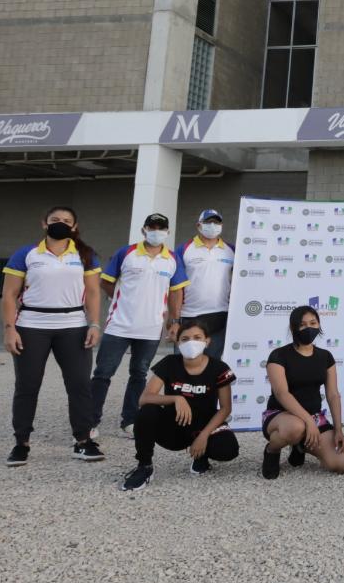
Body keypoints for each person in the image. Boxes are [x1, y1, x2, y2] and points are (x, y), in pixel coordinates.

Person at [2, 206, 105, 466]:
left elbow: (93, 293)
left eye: (67, 221)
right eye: (55, 220)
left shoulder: (85, 254)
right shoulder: (26, 254)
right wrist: (10, 328)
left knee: (80, 384)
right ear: (44, 223)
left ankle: (83, 440)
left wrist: (94, 324)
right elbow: (9, 295)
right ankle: (21, 443)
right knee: (27, 385)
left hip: (73, 325)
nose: (61, 223)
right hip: (31, 325)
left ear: (75, 226)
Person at [92, 213, 188, 439]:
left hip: (151, 329)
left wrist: (174, 323)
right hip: (119, 326)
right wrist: (118, 298)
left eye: (161, 227)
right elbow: (106, 282)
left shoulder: (172, 259)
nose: (157, 231)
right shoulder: (126, 253)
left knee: (139, 374)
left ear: (168, 232)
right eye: (152, 227)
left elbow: (176, 292)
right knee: (103, 374)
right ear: (144, 230)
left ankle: (130, 420)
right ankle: (89, 421)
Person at [118, 319, 240, 490]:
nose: (191, 342)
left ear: (207, 341)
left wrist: (204, 436)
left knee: (228, 449)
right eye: (185, 339)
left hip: (203, 425)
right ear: (178, 342)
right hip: (174, 426)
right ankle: (144, 466)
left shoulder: (219, 368)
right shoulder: (169, 363)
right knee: (147, 411)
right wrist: (176, 399)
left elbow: (226, 408)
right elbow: (144, 398)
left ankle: (201, 457)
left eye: (197, 337)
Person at [261, 305, 344, 479]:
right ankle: (272, 451)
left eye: (313, 323)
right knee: (296, 427)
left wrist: (339, 430)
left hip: (314, 417)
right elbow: (282, 393)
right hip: (281, 415)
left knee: (343, 463)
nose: (308, 328)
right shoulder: (279, 355)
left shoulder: (325, 357)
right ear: (293, 328)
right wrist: (308, 422)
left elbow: (333, 395)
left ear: (319, 325)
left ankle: (300, 446)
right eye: (302, 324)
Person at [178, 209, 234, 359]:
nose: (212, 225)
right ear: (198, 225)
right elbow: (175, 287)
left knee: (211, 364)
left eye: (216, 222)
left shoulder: (232, 250)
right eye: (208, 222)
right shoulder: (184, 249)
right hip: (190, 315)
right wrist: (174, 319)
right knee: (185, 362)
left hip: (220, 315)